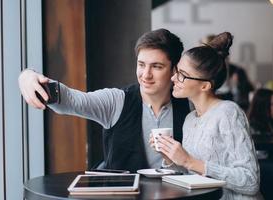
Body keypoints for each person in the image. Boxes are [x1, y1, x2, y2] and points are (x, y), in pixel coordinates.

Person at [18, 28, 190, 173]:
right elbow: (71, 101)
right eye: (141, 64)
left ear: (174, 70)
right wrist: (27, 76)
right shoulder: (117, 101)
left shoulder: (190, 105)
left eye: (156, 66)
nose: (146, 75)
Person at [150, 32, 261, 199]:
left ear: (204, 86)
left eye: (182, 74)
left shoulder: (228, 113)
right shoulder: (190, 119)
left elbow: (251, 181)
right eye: (176, 71)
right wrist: (171, 158)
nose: (173, 78)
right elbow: (193, 173)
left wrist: (189, 161)